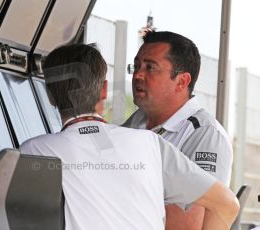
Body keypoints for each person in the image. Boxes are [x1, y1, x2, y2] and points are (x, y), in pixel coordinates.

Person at [20, 43, 238, 229]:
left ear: (49, 95)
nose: (138, 75)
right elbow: (228, 204)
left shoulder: (33, 152)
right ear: (104, 90)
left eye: (151, 67)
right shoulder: (149, 143)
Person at [123, 31, 233, 229]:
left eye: (150, 68)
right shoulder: (135, 122)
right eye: (137, 66)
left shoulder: (205, 134)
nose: (138, 75)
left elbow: (189, 223)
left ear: (182, 81)